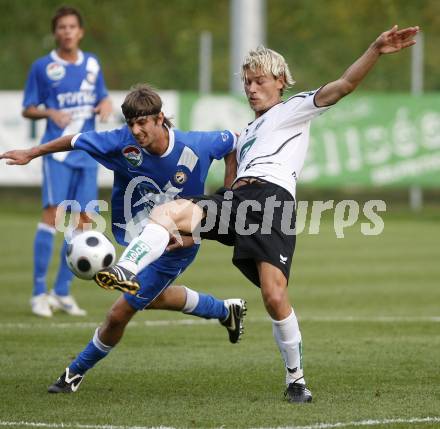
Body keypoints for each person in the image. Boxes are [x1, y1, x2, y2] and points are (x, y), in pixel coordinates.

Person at [87, 25, 419, 403]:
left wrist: (375, 48)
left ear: (280, 81)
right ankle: (126, 269)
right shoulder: (247, 131)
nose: (250, 88)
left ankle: (296, 380)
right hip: (238, 202)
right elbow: (231, 162)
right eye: (246, 81)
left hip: (273, 202)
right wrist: (206, 211)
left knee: (274, 296)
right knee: (169, 213)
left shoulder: (294, 109)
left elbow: (343, 84)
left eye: (258, 80)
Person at [1, 84, 246, 393]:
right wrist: (31, 153)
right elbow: (75, 141)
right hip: (137, 230)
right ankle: (225, 310)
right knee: (153, 296)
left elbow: (234, 142)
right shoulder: (122, 143)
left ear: (160, 119)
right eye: (131, 123)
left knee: (120, 312)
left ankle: (73, 374)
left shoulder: (196, 145)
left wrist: (229, 197)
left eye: (142, 122)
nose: (136, 130)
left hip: (178, 243)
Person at [22, 5, 112, 317]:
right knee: (52, 215)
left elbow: (101, 96)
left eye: (72, 26)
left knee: (82, 222)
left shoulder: (92, 64)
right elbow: (27, 107)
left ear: (80, 31)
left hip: (86, 154)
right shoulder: (43, 67)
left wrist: (105, 103)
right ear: (56, 32)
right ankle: (37, 293)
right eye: (62, 27)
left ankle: (61, 292)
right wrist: (49, 112)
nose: (67, 31)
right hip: (57, 155)